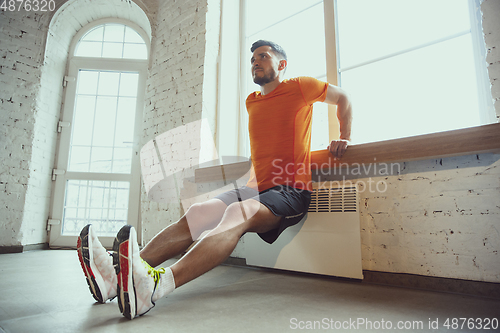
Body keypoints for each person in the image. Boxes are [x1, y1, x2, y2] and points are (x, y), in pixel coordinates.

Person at [77, 40, 352, 320]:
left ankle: (155, 287)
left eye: (263, 56)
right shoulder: (251, 102)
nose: (255, 61)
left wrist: (345, 135)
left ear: (281, 64)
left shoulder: (300, 87)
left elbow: (343, 98)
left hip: (290, 191)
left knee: (237, 211)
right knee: (197, 212)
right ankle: (114, 278)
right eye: (253, 58)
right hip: (254, 189)